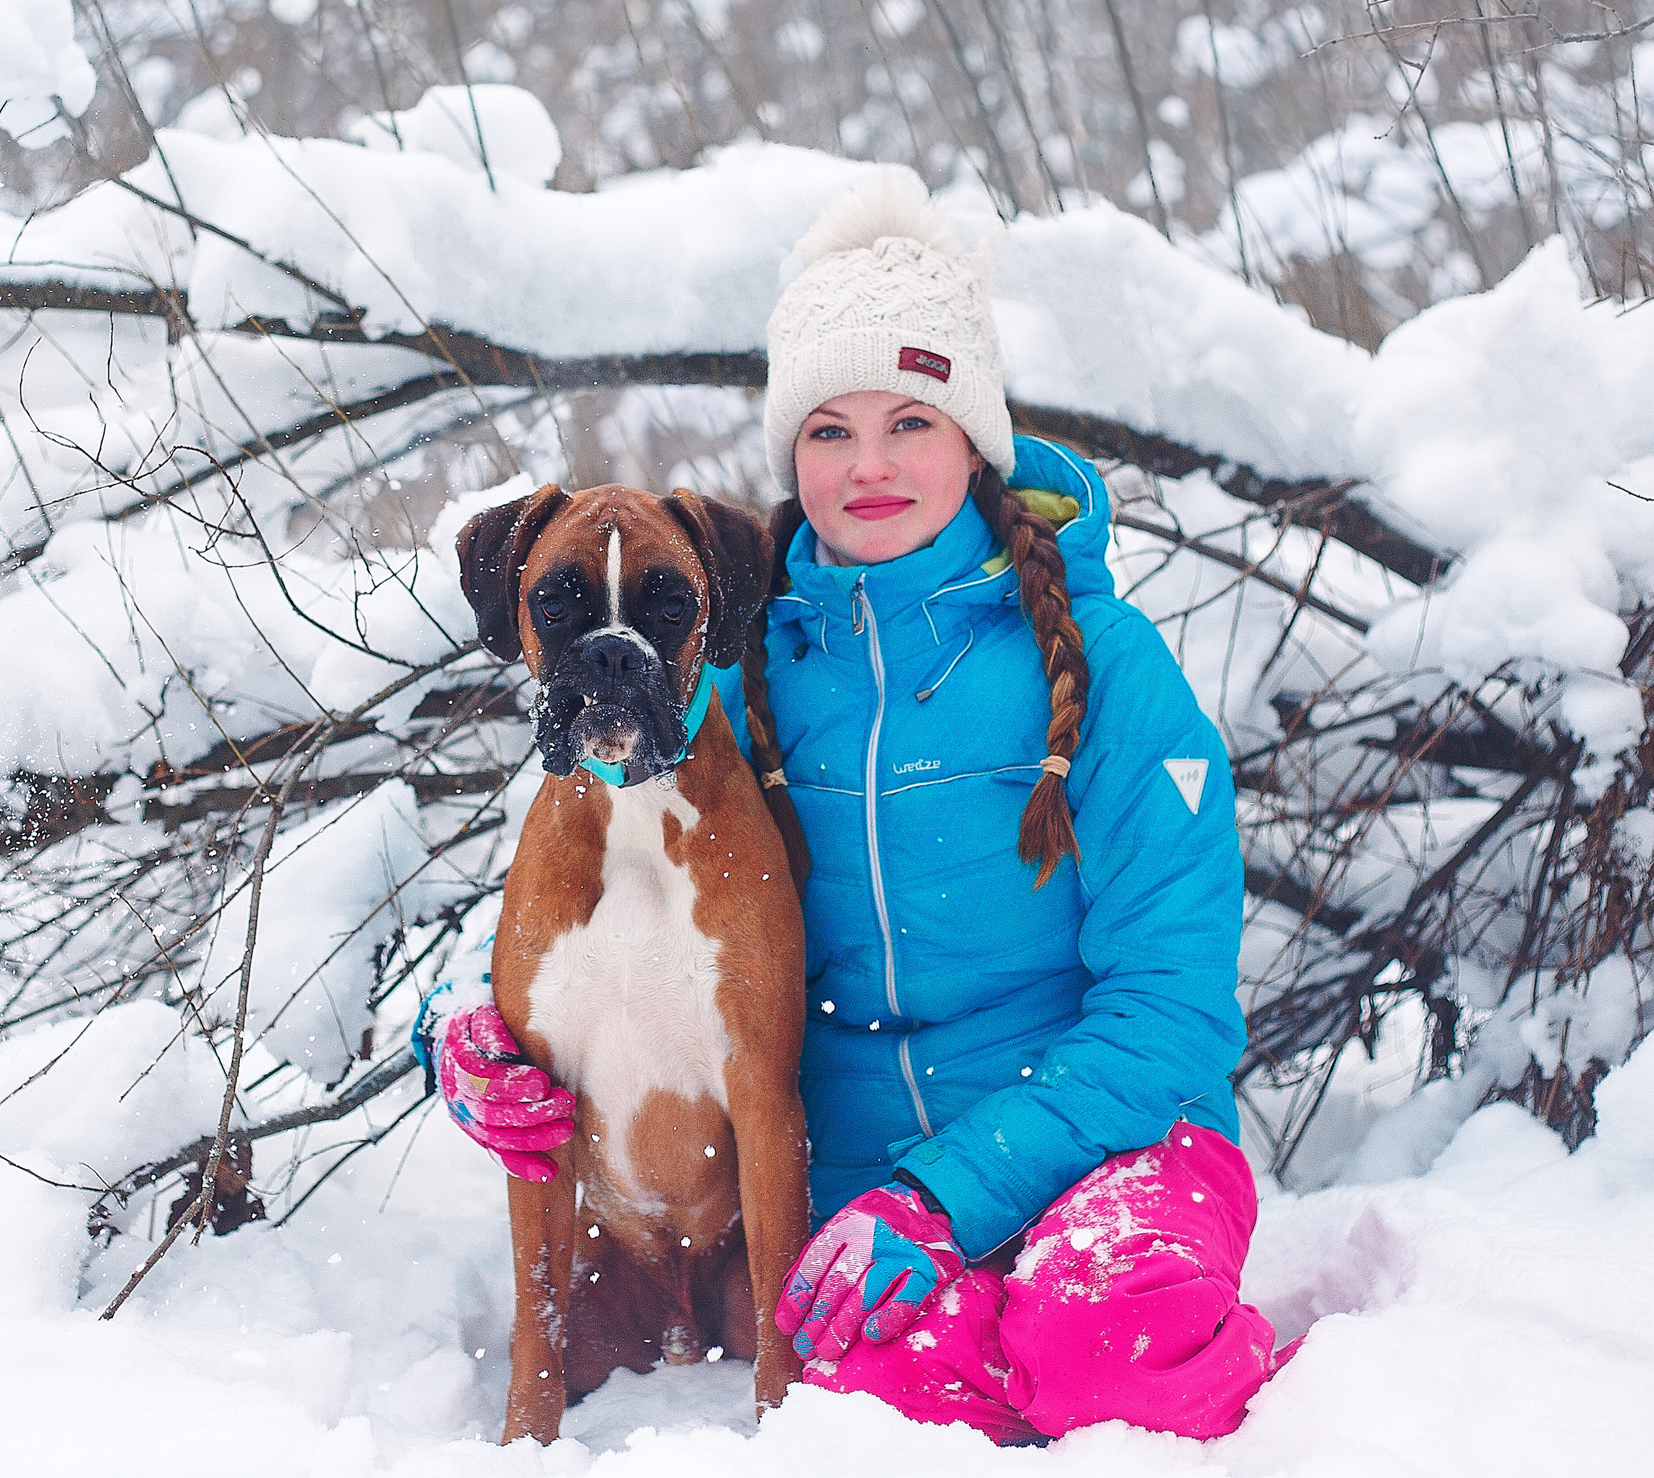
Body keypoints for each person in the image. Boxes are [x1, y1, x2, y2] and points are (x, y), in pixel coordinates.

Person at [418, 170, 1286, 1443]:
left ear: (974, 438)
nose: (869, 465)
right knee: (855, 1400)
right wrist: (470, 1026)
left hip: (1111, 1150)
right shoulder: (726, 659)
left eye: (912, 422)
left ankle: (1172, 1367)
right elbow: (597, 863)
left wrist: (952, 1197)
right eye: (828, 429)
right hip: (867, 1197)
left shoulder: (1106, 666)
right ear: (789, 453)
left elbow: (1173, 1013)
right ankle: (1023, 1365)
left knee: (1104, 1337)